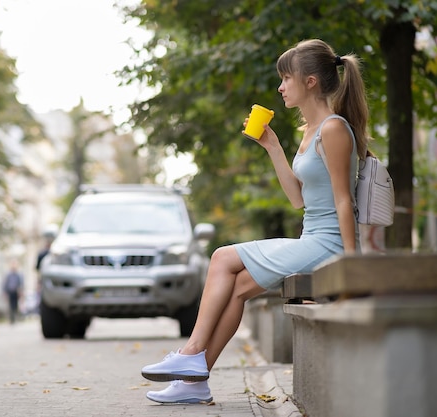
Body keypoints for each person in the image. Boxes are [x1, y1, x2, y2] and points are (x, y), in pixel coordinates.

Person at [140, 38, 368, 404]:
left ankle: (190, 353)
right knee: (237, 286)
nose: (280, 87)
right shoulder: (310, 131)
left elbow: (344, 200)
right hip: (312, 238)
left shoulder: (333, 129)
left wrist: (352, 266)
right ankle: (194, 383)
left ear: (310, 81)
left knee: (221, 258)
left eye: (286, 78)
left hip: (328, 246)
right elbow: (298, 199)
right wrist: (273, 146)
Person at [3, 260, 24, 324]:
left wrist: (21, 291)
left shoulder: (19, 274)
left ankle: (16, 317)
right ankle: (11, 318)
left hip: (16, 292)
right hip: (10, 291)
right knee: (11, 305)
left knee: (16, 305)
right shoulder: (8, 275)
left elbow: (21, 283)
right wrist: (5, 292)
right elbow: (5, 283)